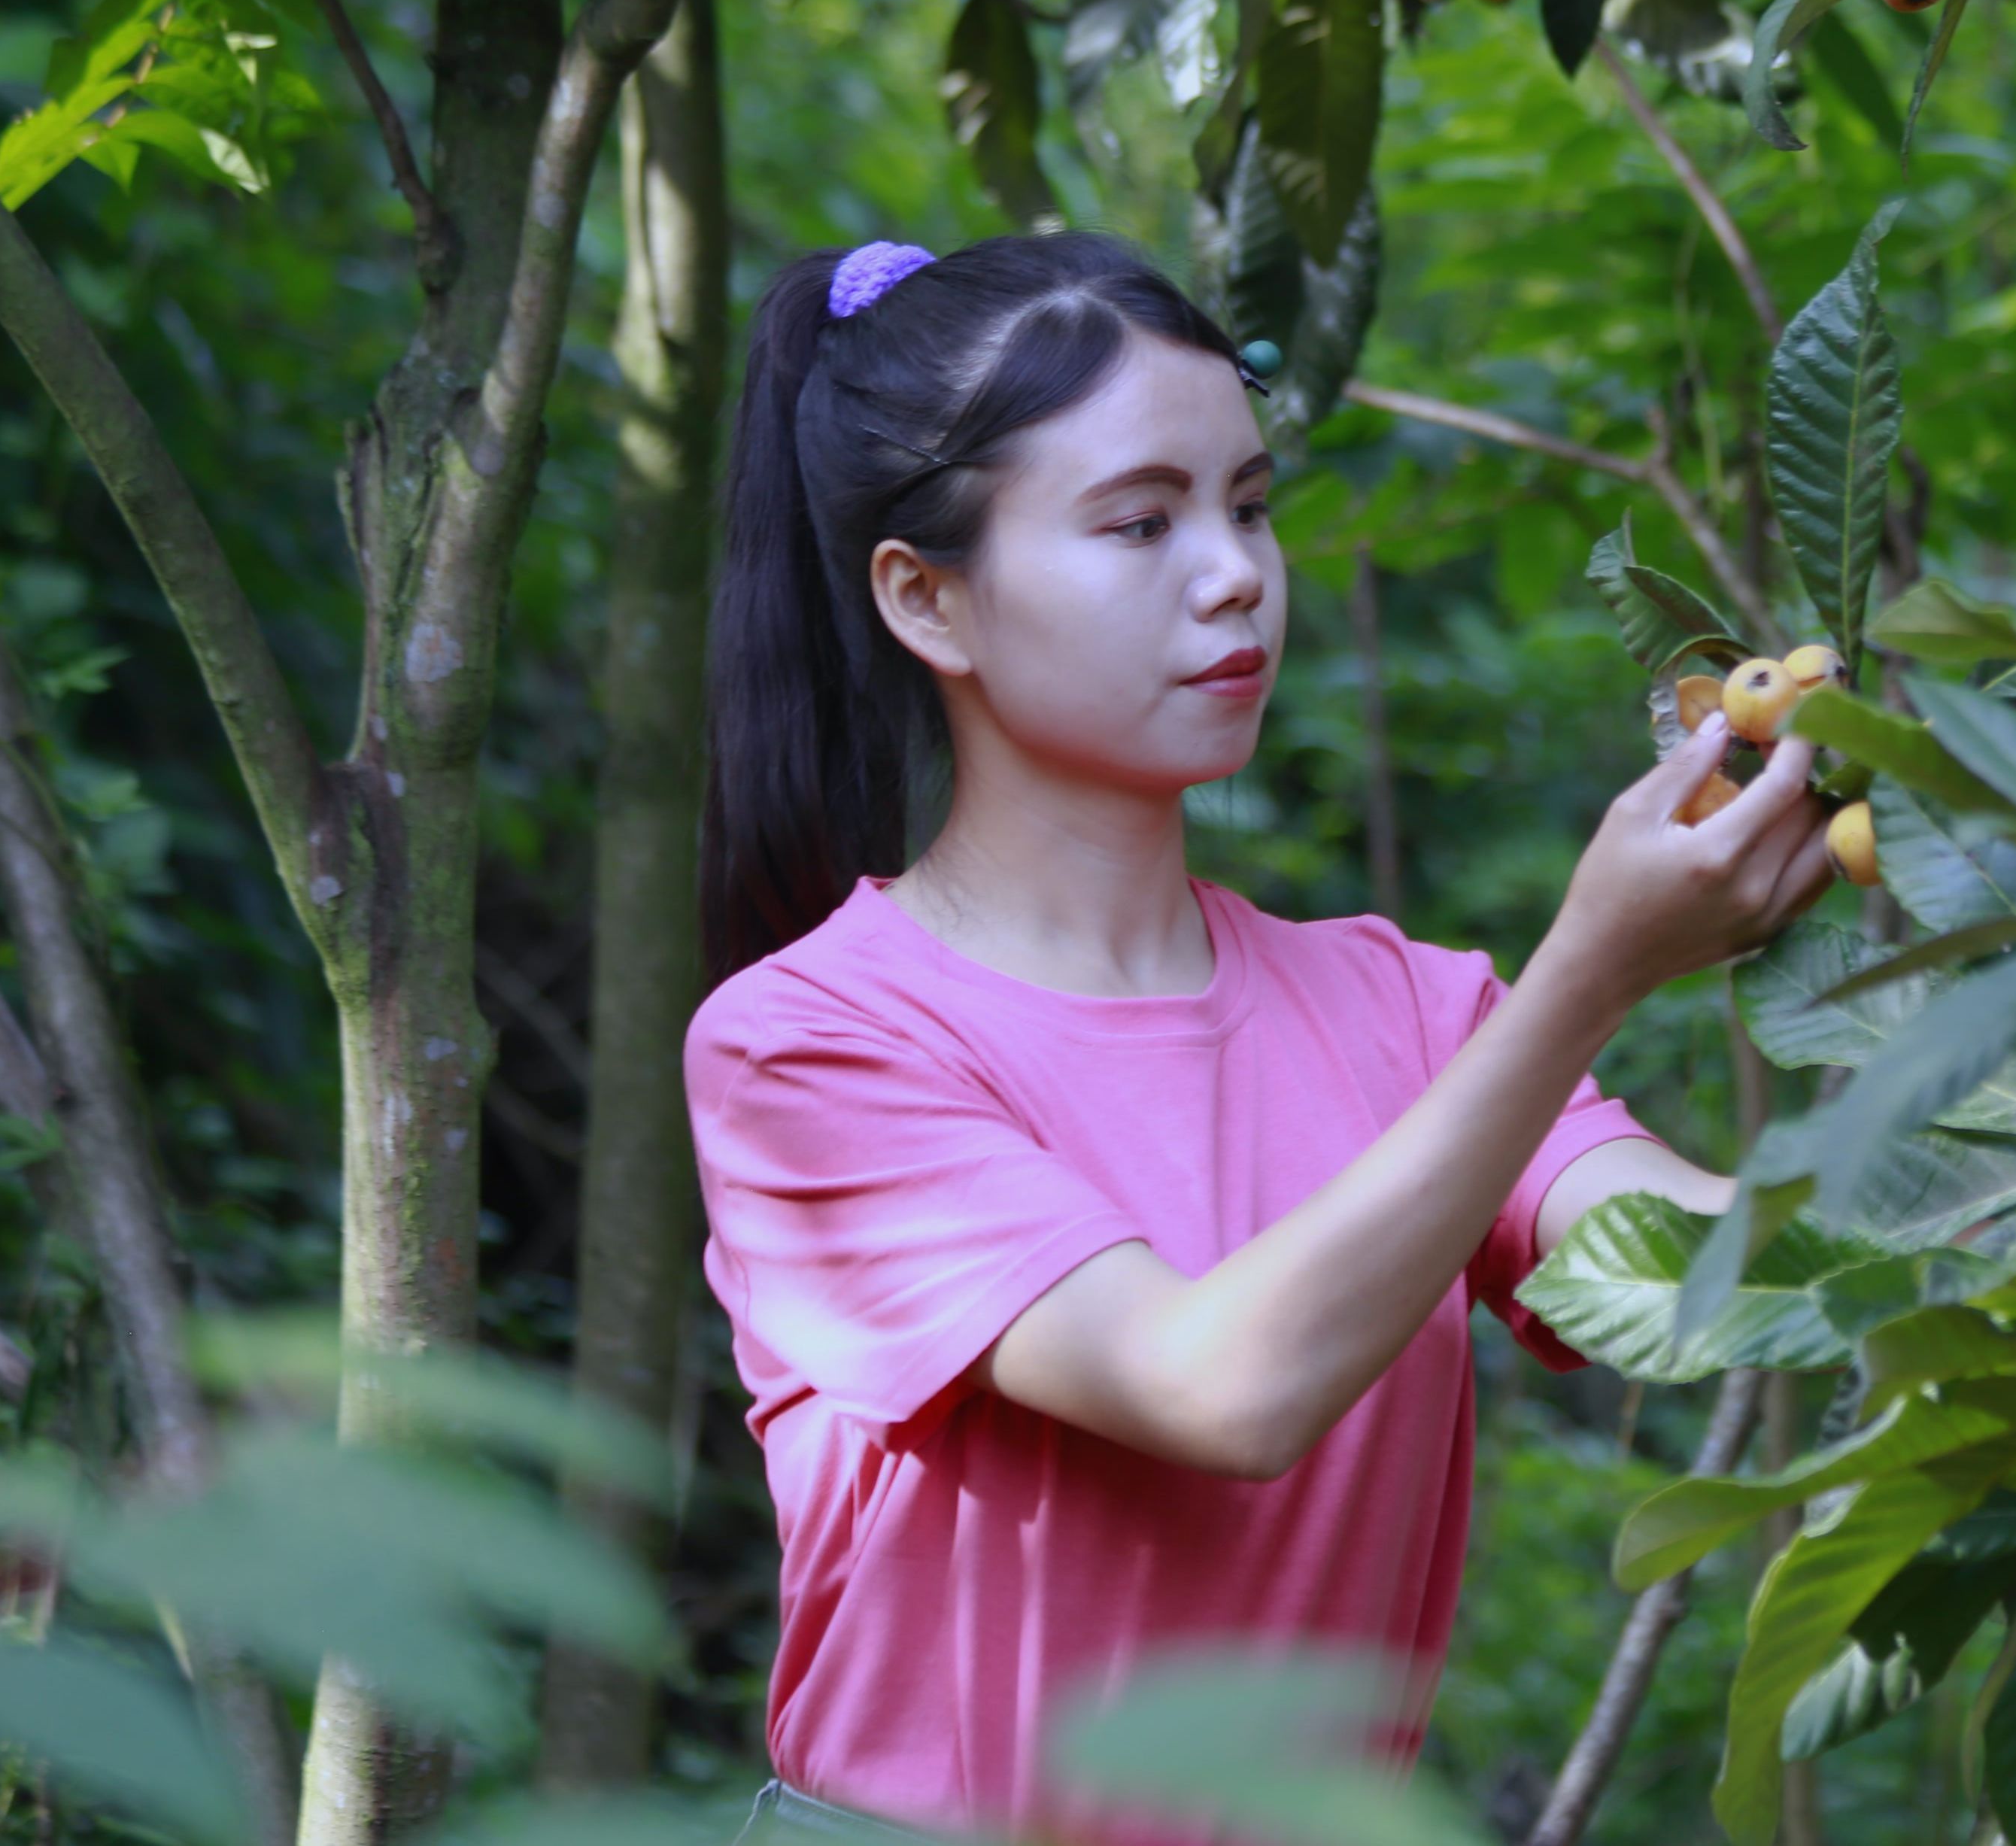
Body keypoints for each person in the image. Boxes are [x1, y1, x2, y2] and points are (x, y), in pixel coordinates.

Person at [685, 233, 1833, 1841]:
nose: (1232, 574)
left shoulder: (1415, 1012)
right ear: (927, 598)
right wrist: (1598, 966)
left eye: (1250, 505)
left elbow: (1740, 1287)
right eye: (1142, 522)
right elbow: (1219, 1388)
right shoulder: (806, 1049)